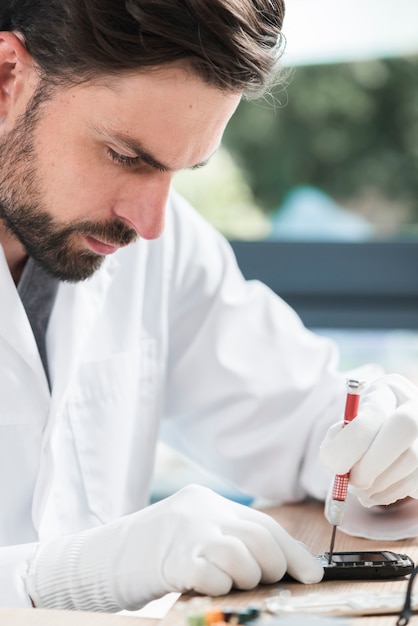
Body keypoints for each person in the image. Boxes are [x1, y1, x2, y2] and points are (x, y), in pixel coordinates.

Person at [1, 0, 418, 614]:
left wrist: (381, 441)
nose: (148, 223)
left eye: (181, 170)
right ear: (9, 75)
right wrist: (50, 577)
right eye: (125, 155)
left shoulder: (158, 248)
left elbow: (302, 423)